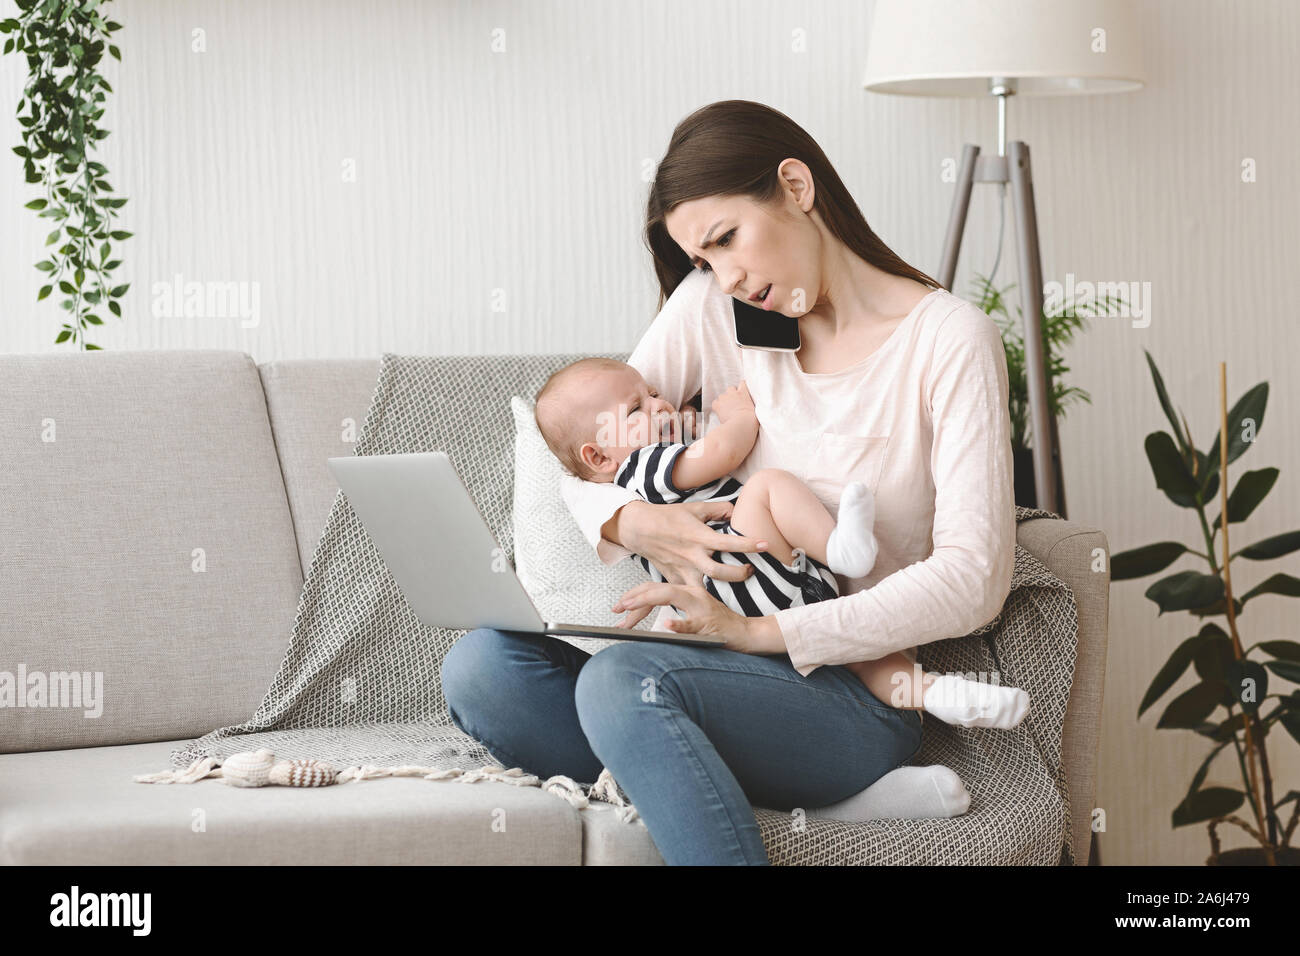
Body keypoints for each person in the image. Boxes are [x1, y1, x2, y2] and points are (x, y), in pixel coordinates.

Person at [441, 99, 1016, 865]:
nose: (727, 275)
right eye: (705, 260)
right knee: (485, 669)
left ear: (796, 187)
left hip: (849, 690)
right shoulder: (718, 309)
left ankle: (741, 783)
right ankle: (774, 800)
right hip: (710, 666)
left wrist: (759, 633)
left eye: (726, 240)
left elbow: (975, 579)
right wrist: (634, 525)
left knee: (621, 684)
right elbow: (586, 454)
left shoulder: (949, 342)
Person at [531, 356, 1029, 730]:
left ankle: (943, 696)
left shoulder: (635, 462)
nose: (660, 404)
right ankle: (840, 548)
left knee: (864, 651)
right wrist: (739, 416)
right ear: (597, 456)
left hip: (759, 604)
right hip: (747, 572)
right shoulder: (641, 469)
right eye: (637, 408)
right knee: (765, 485)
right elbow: (722, 454)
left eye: (654, 392)